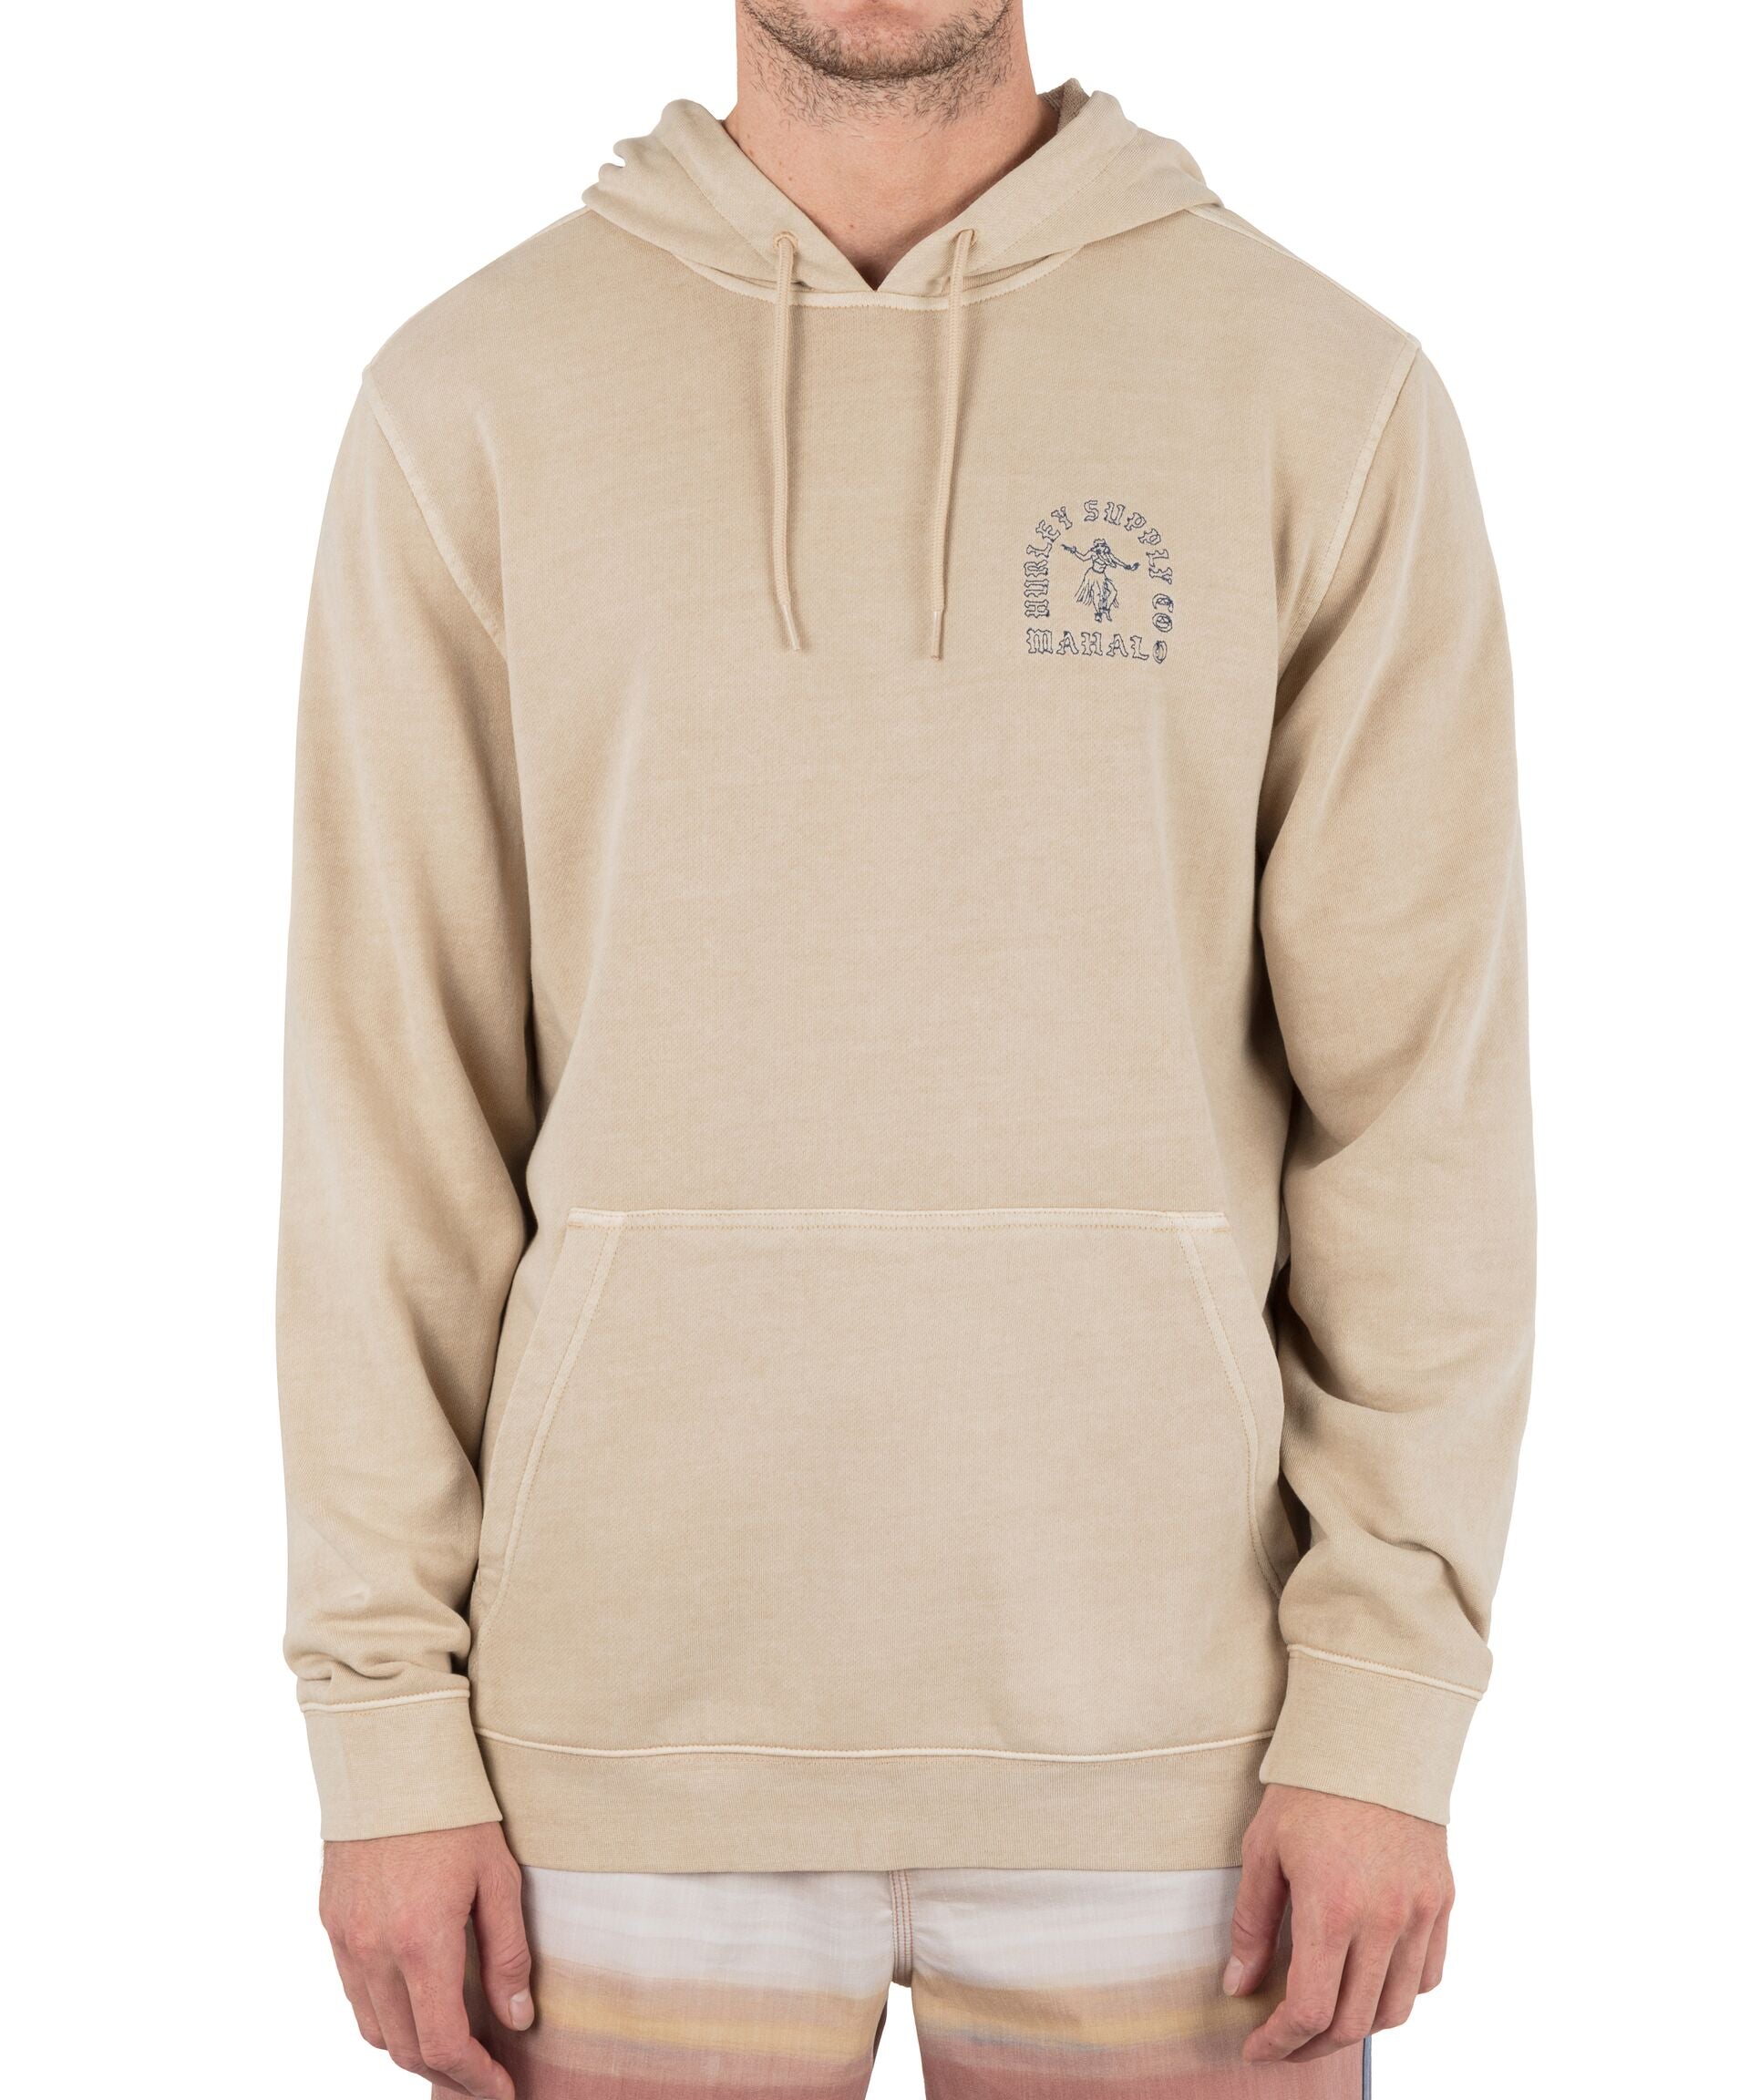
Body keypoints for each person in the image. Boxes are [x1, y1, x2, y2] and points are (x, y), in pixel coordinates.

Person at [279, 3, 1535, 2095]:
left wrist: (1387, 1709)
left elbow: (1421, 1112)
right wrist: (383, 1727)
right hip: (608, 1762)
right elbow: (386, 1114)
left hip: (1187, 1772)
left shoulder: (1324, 393)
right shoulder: (471, 399)